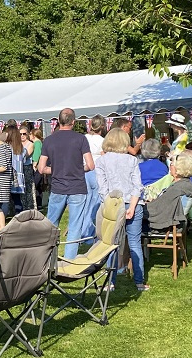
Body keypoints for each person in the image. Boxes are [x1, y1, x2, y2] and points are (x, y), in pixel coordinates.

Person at [37, 109, 95, 260]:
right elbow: (90, 165)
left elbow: (41, 168)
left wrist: (57, 169)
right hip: (77, 187)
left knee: (51, 225)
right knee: (75, 227)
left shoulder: (49, 140)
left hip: (58, 187)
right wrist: (77, 168)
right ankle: (69, 260)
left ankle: (48, 258)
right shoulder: (81, 139)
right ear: (73, 122)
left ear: (58, 121)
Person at [95, 127, 146, 291]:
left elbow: (102, 189)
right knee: (135, 243)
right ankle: (139, 282)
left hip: (113, 205)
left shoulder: (102, 161)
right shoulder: (132, 160)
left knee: (111, 244)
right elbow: (138, 186)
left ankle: (110, 282)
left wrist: (111, 207)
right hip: (132, 203)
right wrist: (132, 206)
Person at [145, 149, 192, 238]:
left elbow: (157, 210)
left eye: (171, 164)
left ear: (177, 168)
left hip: (164, 226)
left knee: (133, 216)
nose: (169, 166)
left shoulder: (178, 188)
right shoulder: (185, 184)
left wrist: (145, 205)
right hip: (172, 223)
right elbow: (165, 204)